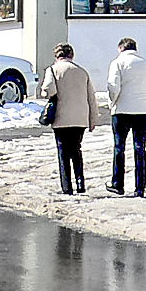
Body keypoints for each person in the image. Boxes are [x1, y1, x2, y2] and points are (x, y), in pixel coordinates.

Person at [105, 36, 146, 196]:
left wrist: (112, 103)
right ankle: (140, 188)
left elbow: (114, 88)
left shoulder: (117, 63)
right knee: (140, 149)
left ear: (120, 48)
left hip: (122, 111)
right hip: (143, 112)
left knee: (119, 148)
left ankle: (117, 184)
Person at [39, 43, 100, 195]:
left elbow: (49, 90)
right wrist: (92, 119)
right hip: (80, 118)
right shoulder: (82, 72)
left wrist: (44, 92)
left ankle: (67, 187)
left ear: (57, 56)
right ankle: (80, 183)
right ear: (71, 55)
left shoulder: (53, 70)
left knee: (63, 153)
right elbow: (91, 98)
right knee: (76, 150)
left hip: (62, 118)